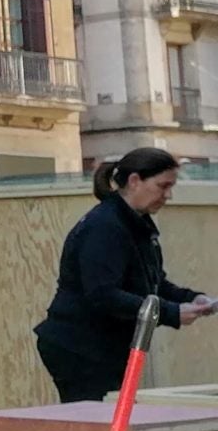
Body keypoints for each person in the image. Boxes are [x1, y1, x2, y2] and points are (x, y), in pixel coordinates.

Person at [34, 148, 214, 401]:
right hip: (81, 346)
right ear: (134, 181)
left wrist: (193, 298)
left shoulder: (135, 224)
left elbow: (152, 283)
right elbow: (103, 295)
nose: (168, 195)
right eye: (162, 186)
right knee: (98, 425)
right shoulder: (105, 226)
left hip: (104, 345)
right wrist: (171, 312)